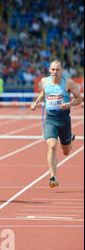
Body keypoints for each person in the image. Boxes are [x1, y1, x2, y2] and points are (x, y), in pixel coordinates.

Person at [30, 60, 82, 188]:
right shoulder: (44, 81)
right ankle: (52, 177)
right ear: (49, 70)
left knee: (66, 151)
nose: (55, 72)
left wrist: (68, 104)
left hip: (64, 120)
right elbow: (43, 93)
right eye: (53, 69)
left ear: (62, 70)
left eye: (57, 70)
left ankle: (69, 138)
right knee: (52, 145)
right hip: (50, 119)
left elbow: (79, 99)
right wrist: (36, 103)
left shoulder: (68, 83)